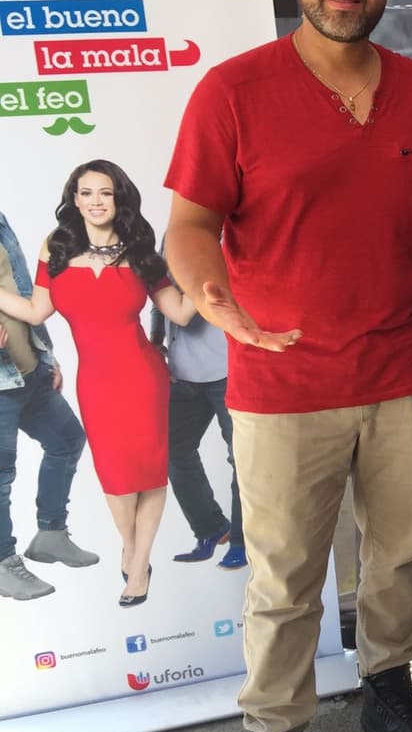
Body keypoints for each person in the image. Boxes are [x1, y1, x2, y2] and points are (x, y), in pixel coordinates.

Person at [162, 0, 412, 732]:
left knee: (399, 557)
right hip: (283, 382)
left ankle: (386, 691)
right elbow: (189, 227)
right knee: (285, 576)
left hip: (405, 368)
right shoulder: (233, 89)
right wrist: (216, 297)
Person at [0, 162, 196, 608]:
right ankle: (131, 546)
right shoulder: (58, 246)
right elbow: (35, 311)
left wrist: (210, 273)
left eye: (104, 193)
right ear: (73, 197)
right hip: (96, 380)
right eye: (84, 192)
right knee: (116, 478)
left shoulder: (142, 249)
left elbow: (181, 313)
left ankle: (138, 562)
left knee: (149, 472)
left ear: (119, 197)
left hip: (144, 376)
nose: (94, 201)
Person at [0, 211, 94, 601]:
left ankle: (51, 534)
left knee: (68, 440)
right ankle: (4, 564)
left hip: (30, 368)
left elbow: (22, 285)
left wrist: (48, 354)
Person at [149, 253, 244, 570]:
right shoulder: (171, 235)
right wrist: (155, 339)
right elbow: (160, 292)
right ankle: (211, 528)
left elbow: (182, 312)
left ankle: (243, 541)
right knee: (172, 449)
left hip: (228, 368)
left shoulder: (224, 235)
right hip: (183, 370)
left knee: (241, 459)